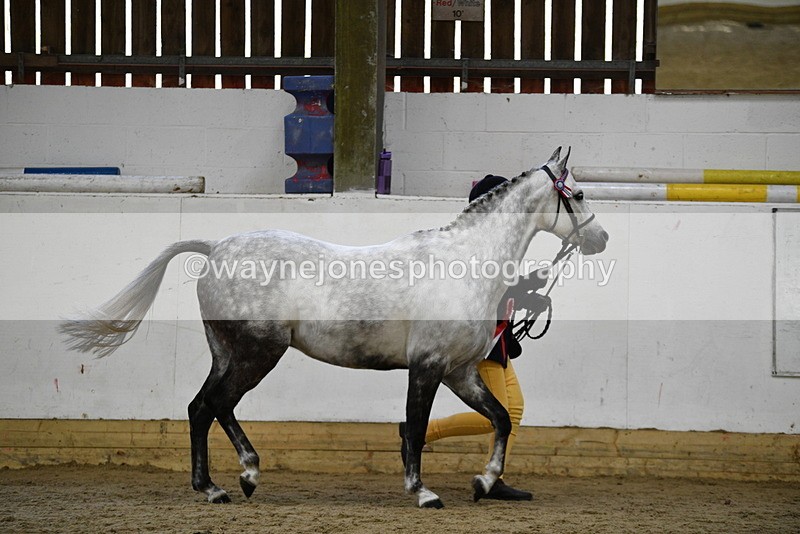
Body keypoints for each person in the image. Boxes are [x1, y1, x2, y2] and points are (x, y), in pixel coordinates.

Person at [400, 175, 552, 502]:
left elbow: (501, 290)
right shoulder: (475, 246)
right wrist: (526, 285)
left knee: (516, 408)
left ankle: (494, 477)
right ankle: (420, 433)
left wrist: (527, 295)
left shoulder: (495, 244)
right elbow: (486, 291)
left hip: (499, 342)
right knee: (496, 417)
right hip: (481, 345)